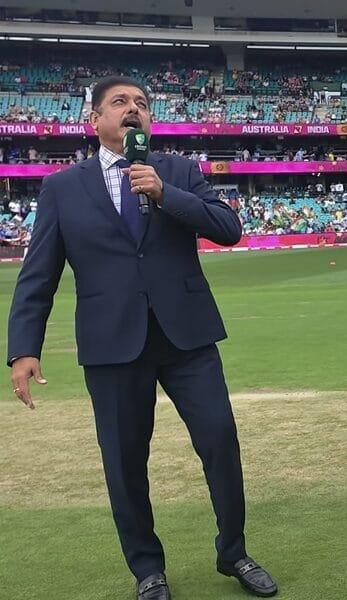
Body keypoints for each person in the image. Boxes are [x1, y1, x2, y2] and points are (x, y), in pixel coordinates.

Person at [6, 76, 277, 600]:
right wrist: (24, 348)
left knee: (220, 441)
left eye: (142, 104)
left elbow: (228, 228)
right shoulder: (62, 188)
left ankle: (234, 553)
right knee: (125, 461)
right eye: (120, 102)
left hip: (187, 337)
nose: (134, 110)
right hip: (112, 345)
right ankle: (147, 570)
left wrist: (164, 191)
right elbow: (38, 274)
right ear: (95, 121)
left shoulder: (177, 170)